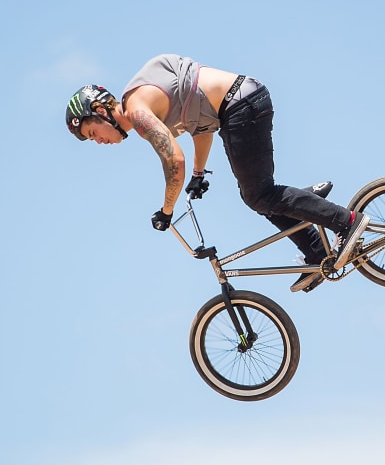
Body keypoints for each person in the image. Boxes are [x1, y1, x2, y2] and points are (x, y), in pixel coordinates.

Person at [65, 54, 369, 292]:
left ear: (102, 111)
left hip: (239, 105)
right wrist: (199, 174)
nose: (98, 141)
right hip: (239, 102)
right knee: (259, 195)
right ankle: (316, 250)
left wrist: (166, 210)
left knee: (259, 195)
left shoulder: (138, 112)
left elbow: (174, 162)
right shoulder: (146, 100)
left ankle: (346, 221)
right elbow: (202, 126)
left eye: (93, 132)